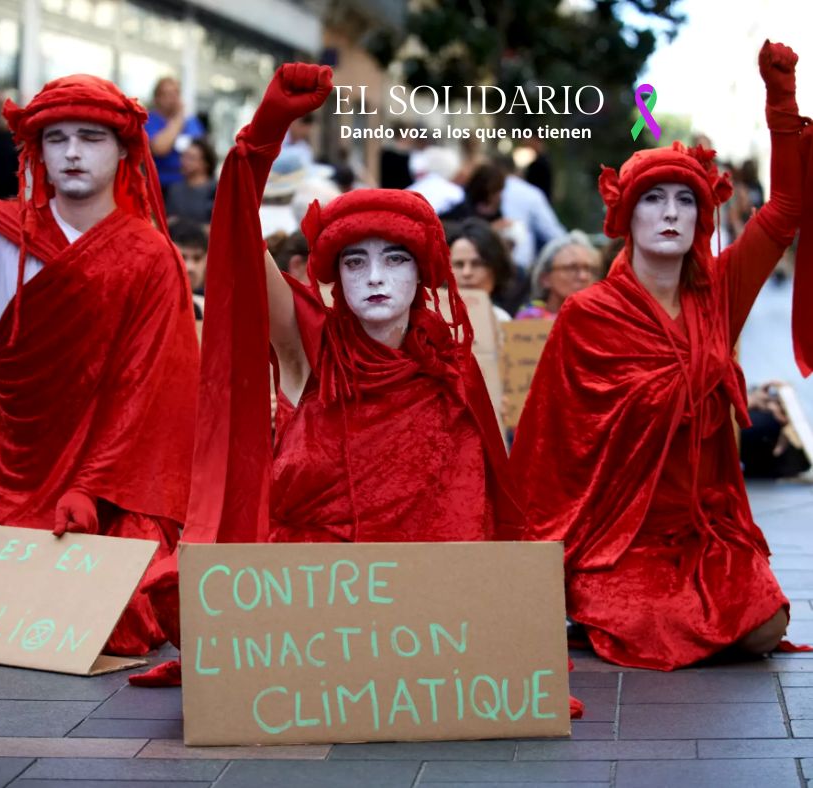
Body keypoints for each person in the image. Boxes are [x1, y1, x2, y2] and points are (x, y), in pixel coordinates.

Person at [131, 65, 558, 711]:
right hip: (321, 605)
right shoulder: (309, 342)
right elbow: (241, 244)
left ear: (424, 275)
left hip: (435, 618)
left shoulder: (453, 362)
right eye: (355, 261)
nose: (375, 277)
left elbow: (482, 506)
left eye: (395, 259)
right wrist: (268, 129)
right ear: (332, 276)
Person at [0, 71, 199, 656]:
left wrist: (90, 487)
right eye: (56, 138)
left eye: (91, 137)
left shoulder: (153, 254)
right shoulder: (2, 228)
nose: (72, 152)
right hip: (13, 459)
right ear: (37, 151)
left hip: (110, 477)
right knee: (4, 612)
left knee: (122, 619)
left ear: (123, 149)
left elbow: (148, 390)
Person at [511, 42, 811, 670]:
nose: (670, 213)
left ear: (703, 216)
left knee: (765, 627)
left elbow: (784, 212)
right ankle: (595, 608)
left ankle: (644, 618)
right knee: (647, 620)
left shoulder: (720, 292)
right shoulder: (587, 312)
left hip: (707, 529)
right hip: (620, 538)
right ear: (626, 213)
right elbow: (552, 449)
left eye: (685, 200)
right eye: (654, 198)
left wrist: (781, 104)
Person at [517, 231, 602, 319]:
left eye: (589, 269)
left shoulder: (604, 318)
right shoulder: (529, 321)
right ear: (545, 278)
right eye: (572, 268)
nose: (583, 277)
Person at [146, 76, 206, 195]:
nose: (173, 99)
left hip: (189, 186)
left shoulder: (191, 122)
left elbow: (203, 153)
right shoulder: (149, 121)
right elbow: (160, 148)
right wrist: (178, 118)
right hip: (159, 186)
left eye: (176, 93)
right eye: (167, 94)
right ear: (157, 98)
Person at [447, 218, 514, 322]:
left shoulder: (503, 321)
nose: (467, 273)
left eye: (477, 264)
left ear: (496, 269)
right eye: (459, 265)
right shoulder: (430, 322)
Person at [165, 138, 216, 225]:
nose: (184, 162)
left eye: (191, 158)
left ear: (206, 163)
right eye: (184, 156)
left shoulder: (216, 190)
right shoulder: (174, 189)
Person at [169, 220, 207, 318]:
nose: (190, 267)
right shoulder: (153, 306)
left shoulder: (208, 308)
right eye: (182, 257)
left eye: (197, 258)